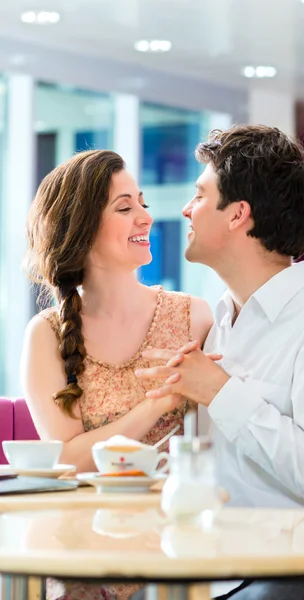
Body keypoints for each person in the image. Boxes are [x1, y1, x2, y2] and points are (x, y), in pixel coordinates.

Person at [135, 125, 304, 600]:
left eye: (200, 195)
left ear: (238, 215)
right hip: (229, 573)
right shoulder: (223, 321)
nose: (186, 209)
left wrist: (222, 393)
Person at [20, 149, 214, 600]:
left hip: (179, 549)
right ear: (80, 228)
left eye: (142, 202)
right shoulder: (46, 335)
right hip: (79, 555)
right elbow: (68, 460)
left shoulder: (196, 318)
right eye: (124, 208)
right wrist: (158, 404)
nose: (145, 217)